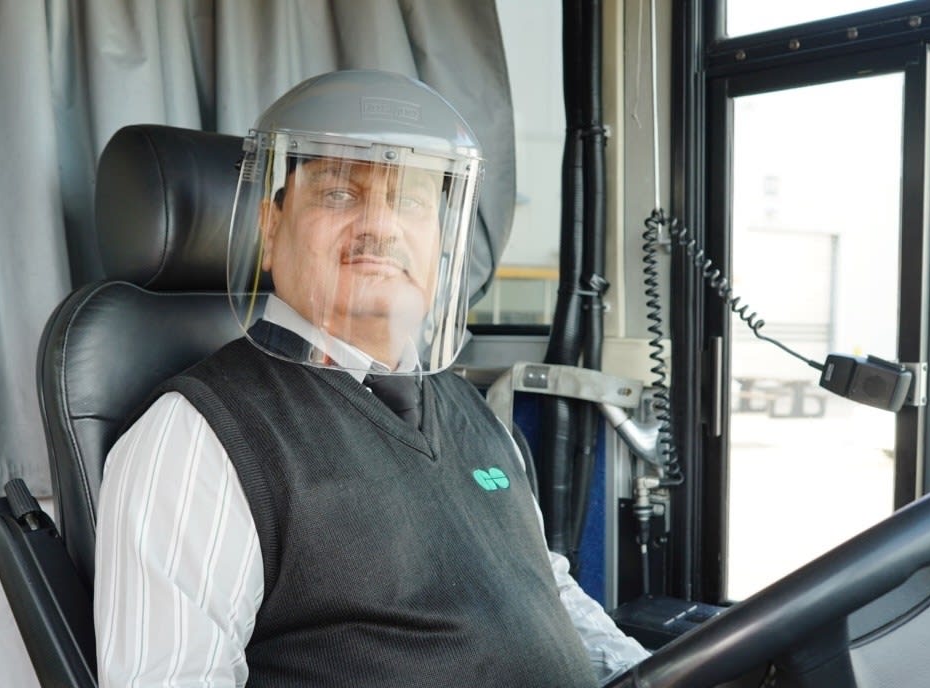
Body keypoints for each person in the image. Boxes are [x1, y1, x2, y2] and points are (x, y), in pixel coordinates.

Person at [93, 69, 648, 687]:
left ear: (441, 240)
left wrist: (651, 674)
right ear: (271, 229)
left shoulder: (474, 411)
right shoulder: (197, 439)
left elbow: (544, 588)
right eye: (338, 193)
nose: (380, 227)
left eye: (409, 200)